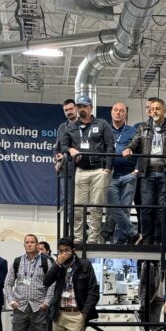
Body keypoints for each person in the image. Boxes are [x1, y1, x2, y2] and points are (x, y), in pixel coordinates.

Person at [124, 97, 166, 246]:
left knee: (162, 210)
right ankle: (147, 238)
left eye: (158, 108)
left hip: (165, 173)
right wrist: (129, 148)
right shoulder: (143, 128)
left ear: (164, 110)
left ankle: (159, 239)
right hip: (147, 174)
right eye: (153, 109)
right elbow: (135, 143)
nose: (155, 111)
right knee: (146, 208)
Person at [58, 95, 114, 244]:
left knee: (96, 207)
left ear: (90, 108)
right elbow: (62, 145)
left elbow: (110, 145)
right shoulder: (71, 127)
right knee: (78, 208)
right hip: (81, 171)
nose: (81, 109)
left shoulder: (102, 124)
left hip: (99, 171)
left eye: (84, 106)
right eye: (79, 107)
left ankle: (92, 239)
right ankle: (78, 239)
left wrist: (107, 168)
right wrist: (70, 150)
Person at [3, 233, 54, 331]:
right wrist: (11, 301)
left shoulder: (46, 262)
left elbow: (52, 284)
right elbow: (8, 283)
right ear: (24, 245)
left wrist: (46, 302)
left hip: (39, 308)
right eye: (27, 242)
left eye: (32, 242)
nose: (29, 244)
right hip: (21, 308)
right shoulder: (17, 262)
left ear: (37, 245)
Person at [103, 101, 139, 245]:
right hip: (110, 174)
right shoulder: (105, 130)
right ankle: (131, 233)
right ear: (111, 112)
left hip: (129, 175)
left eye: (121, 111)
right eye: (115, 110)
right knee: (112, 207)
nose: (118, 113)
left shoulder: (133, 131)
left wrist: (136, 170)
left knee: (125, 208)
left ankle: (117, 239)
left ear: (126, 114)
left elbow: (141, 149)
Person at [54, 99, 78, 230]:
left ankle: (82, 232)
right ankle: (73, 233)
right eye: (66, 110)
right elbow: (56, 148)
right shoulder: (62, 127)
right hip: (66, 171)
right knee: (68, 205)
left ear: (76, 109)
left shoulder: (83, 125)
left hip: (82, 170)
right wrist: (57, 159)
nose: (69, 112)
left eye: (70, 109)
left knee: (80, 204)